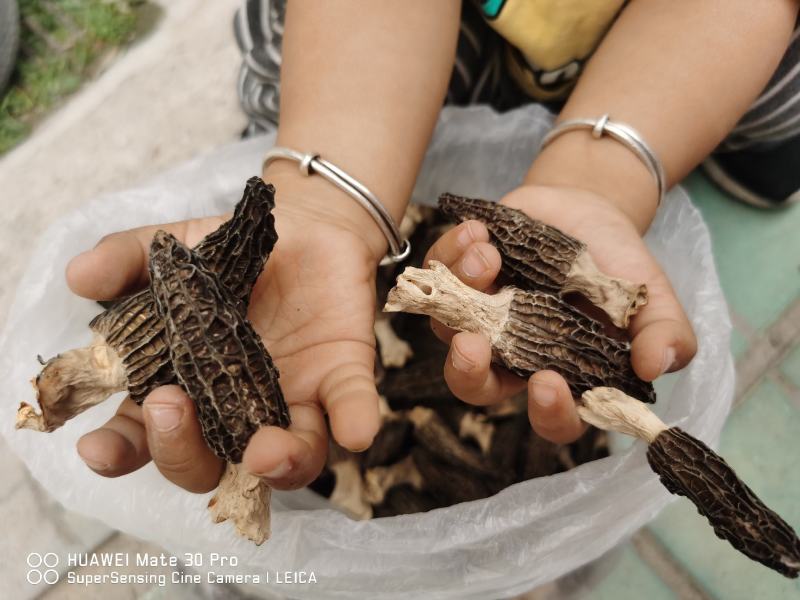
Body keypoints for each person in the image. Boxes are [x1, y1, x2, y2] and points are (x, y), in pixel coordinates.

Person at [68, 1, 799, 495]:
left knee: (770, 93)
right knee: (323, 109)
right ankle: (364, 159)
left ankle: (709, 133)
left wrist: (600, 177)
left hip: (687, 44)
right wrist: (336, 190)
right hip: (390, 48)